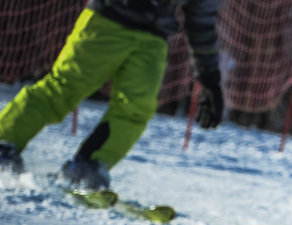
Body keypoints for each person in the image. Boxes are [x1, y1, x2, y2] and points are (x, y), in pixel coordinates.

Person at [0, 0, 225, 190]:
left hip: (153, 37)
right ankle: (5, 139)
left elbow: (202, 20)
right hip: (107, 19)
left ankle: (88, 165)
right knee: (64, 88)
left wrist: (210, 79)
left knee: (136, 109)